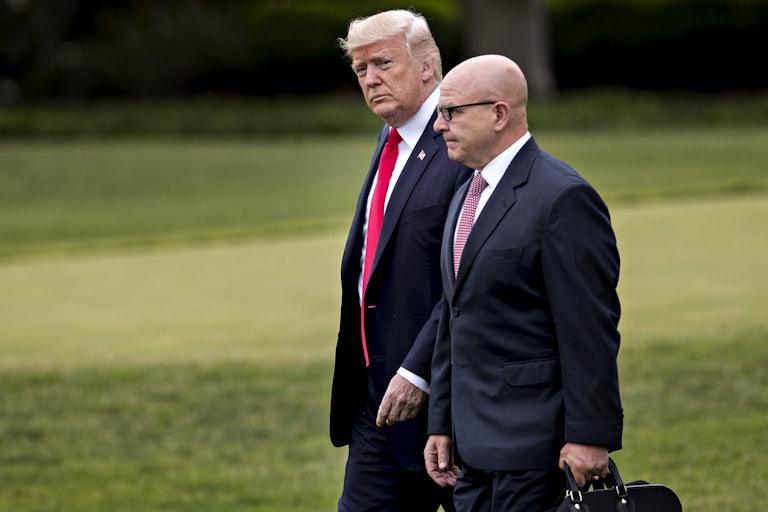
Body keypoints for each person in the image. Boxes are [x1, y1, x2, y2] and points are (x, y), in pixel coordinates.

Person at [424, 54, 624, 512]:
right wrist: (442, 421)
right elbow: (453, 319)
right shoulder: (466, 194)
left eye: (451, 112)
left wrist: (589, 437)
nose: (439, 125)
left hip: (538, 455)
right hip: (470, 454)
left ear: (499, 114)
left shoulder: (563, 197)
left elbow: (589, 330)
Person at [330, 9, 473, 512]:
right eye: (361, 70)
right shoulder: (391, 138)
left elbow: (467, 278)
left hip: (451, 405)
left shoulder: (460, 142)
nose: (371, 80)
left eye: (384, 63)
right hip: (377, 406)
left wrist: (418, 372)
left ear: (429, 65)